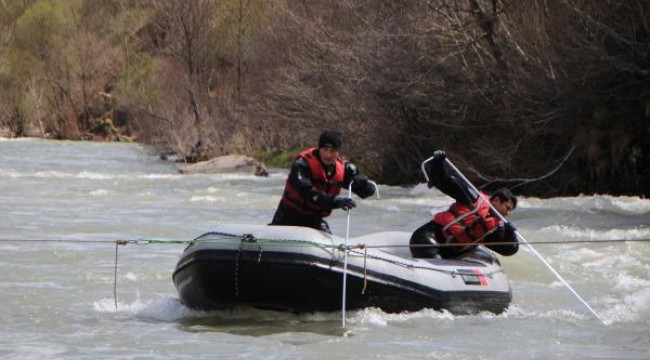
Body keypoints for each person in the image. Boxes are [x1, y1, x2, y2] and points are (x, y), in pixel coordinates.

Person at [410, 150, 519, 259]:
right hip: (430, 236)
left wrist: (510, 233)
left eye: (510, 210)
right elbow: (443, 183)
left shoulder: (495, 229)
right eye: (507, 207)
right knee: (434, 256)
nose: (508, 213)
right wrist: (437, 164)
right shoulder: (473, 197)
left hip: (449, 252)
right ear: (496, 200)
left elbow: (508, 250)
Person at [270, 130, 376, 233]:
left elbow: (366, 192)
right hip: (288, 217)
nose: (328, 155)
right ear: (319, 148)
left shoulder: (343, 168)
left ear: (337, 152)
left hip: (314, 220)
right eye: (325, 149)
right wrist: (336, 202)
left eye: (332, 151)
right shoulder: (302, 165)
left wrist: (363, 182)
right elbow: (309, 194)